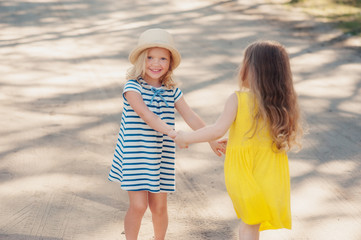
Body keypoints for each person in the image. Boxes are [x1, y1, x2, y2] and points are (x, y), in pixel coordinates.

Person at [175, 40, 303, 240]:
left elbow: (216, 130)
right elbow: (257, 137)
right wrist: (235, 140)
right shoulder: (281, 104)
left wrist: (186, 137)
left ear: (250, 70)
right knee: (253, 223)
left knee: (248, 224)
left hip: (245, 174)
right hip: (271, 176)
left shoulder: (238, 99)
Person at [108, 28, 225, 240]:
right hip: (135, 155)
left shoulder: (172, 90)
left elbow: (190, 116)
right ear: (141, 60)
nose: (156, 63)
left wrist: (211, 139)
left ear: (170, 63)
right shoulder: (132, 87)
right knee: (139, 206)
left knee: (159, 207)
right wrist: (173, 133)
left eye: (163, 58)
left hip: (159, 157)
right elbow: (146, 115)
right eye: (150, 57)